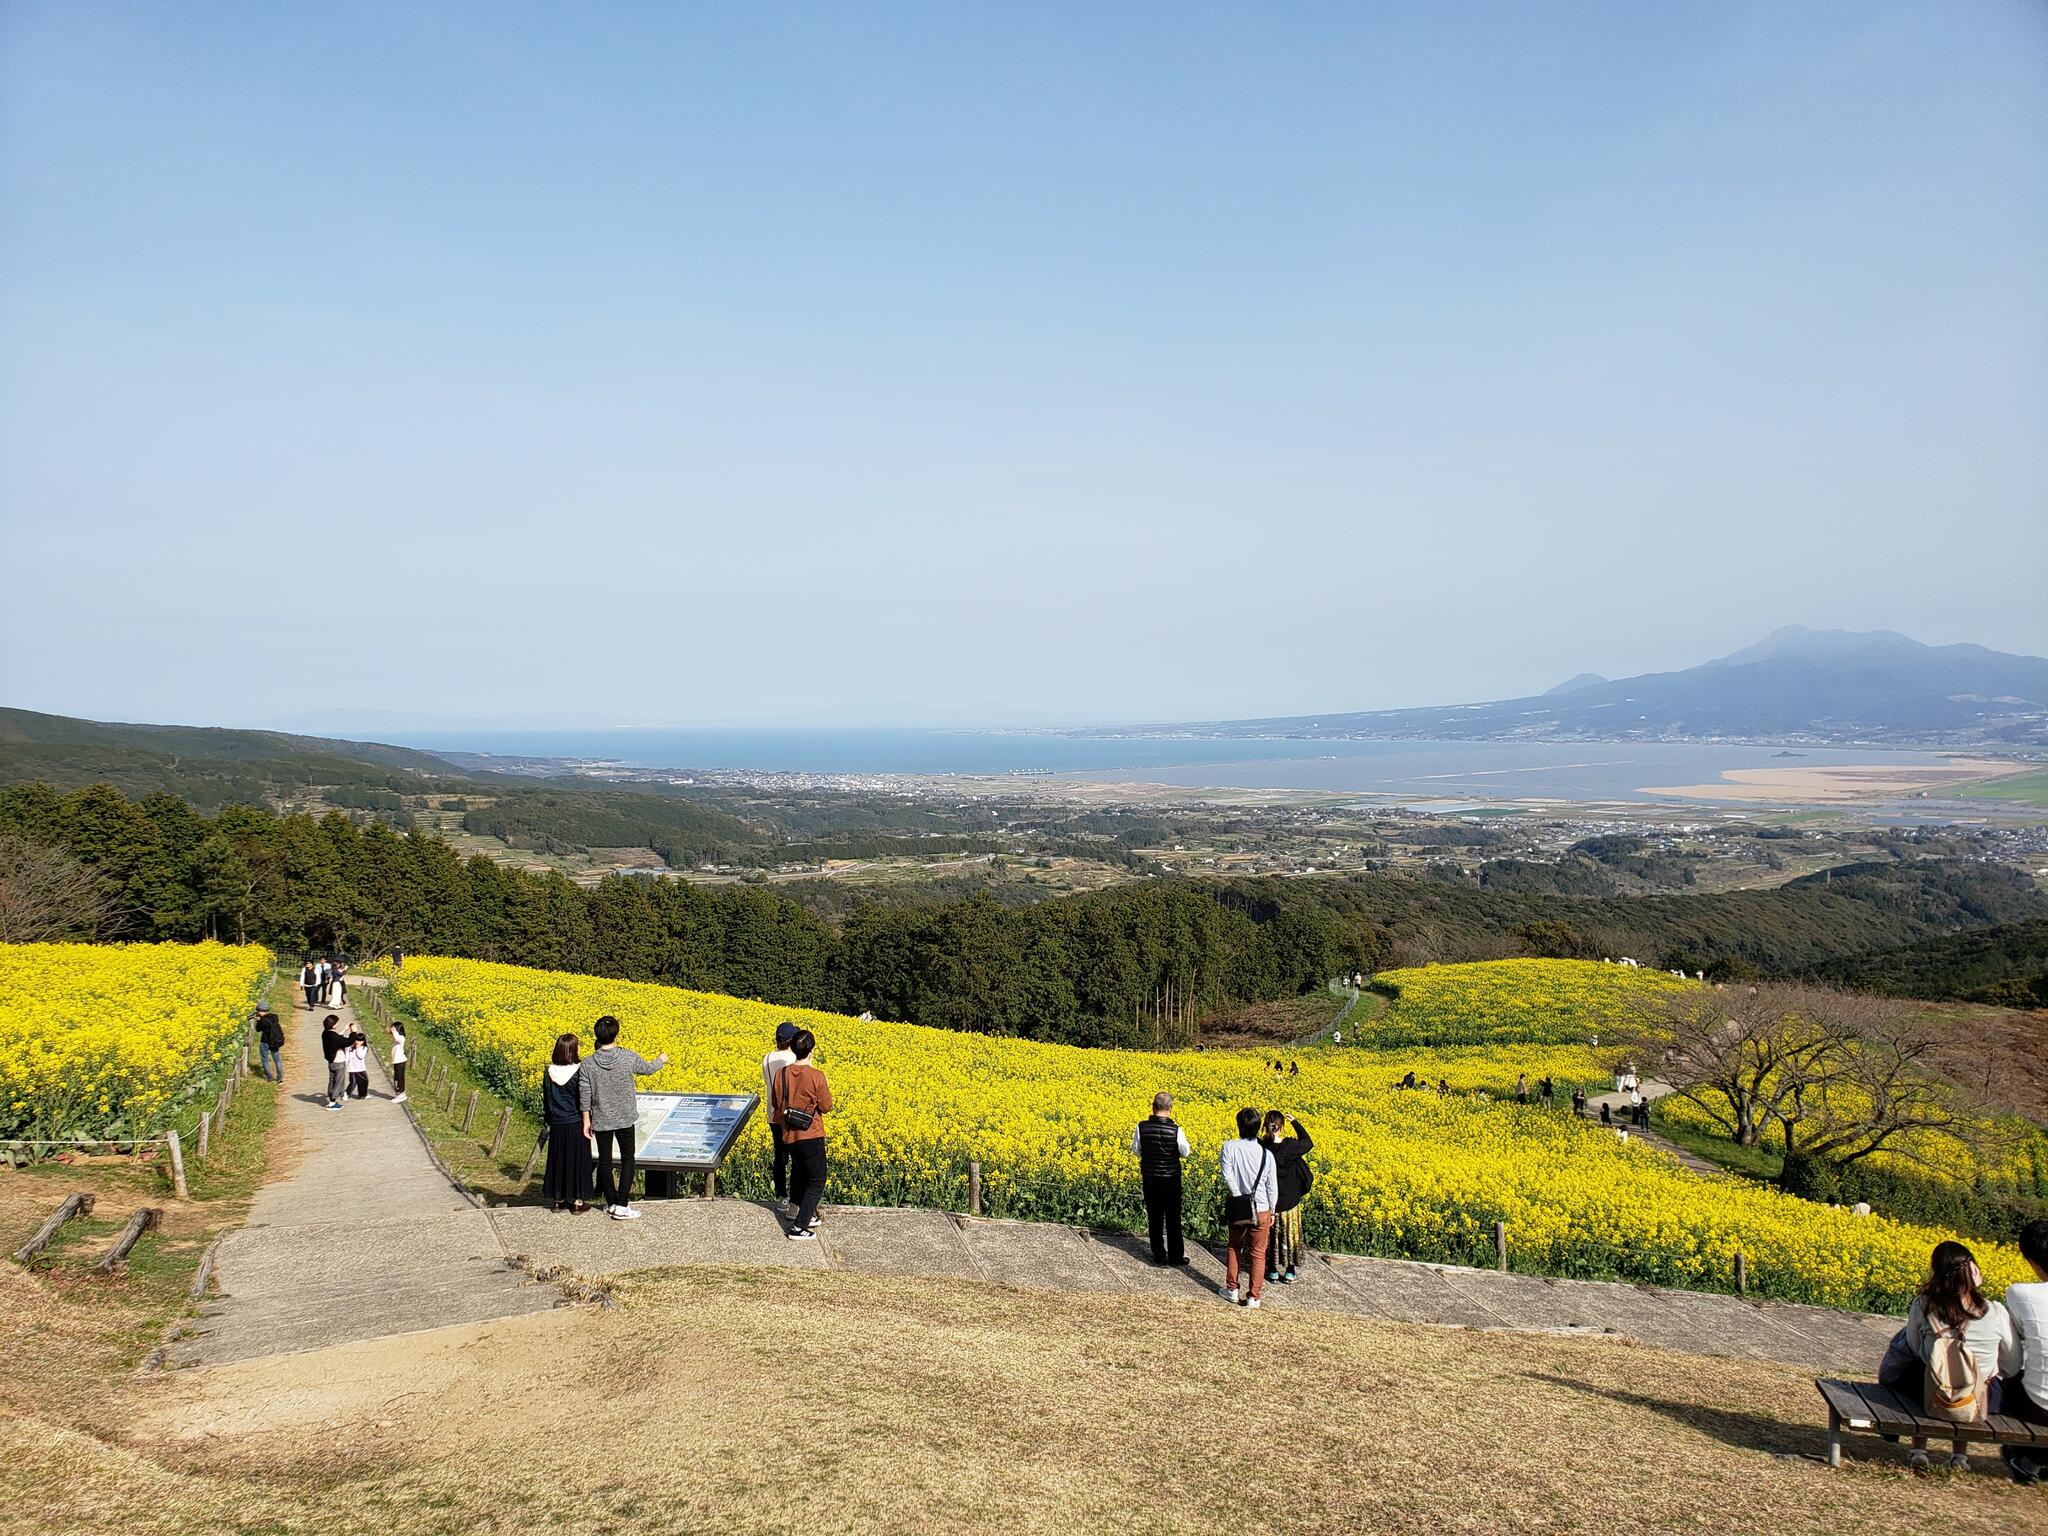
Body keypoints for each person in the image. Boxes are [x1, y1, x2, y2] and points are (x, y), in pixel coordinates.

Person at [1879, 1240, 2016, 1472]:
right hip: (1980, 1398)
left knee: (1925, 1370)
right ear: (1973, 1271)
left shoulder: (1923, 1305)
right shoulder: (1996, 1312)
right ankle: (1960, 1457)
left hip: (1930, 1392)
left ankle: (1919, 1450)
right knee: (1970, 1382)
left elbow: (1912, 1347)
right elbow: (2012, 1363)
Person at [578, 1014, 669, 1221]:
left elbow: (585, 1094)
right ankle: (622, 1204)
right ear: (616, 1034)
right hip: (625, 1117)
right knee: (628, 1159)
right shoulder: (627, 1057)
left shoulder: (588, 1064)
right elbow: (648, 1069)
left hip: (601, 1117)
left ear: (597, 1036)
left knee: (604, 1161)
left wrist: (586, 1120)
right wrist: (661, 1060)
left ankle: (611, 1203)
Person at [2000, 1219, 2048, 1484]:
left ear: (2031, 1260)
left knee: (2006, 1385)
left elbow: (2013, 1354)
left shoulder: (2020, 1293)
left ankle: (2026, 1457)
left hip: (2041, 1407)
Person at [1218, 1107, 1277, 1309]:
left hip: (1240, 1207)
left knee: (1235, 1246)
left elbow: (1227, 1175)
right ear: (1258, 1128)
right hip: (1262, 1208)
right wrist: (1273, 1211)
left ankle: (1232, 1289)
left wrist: (1239, 1198)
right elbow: (1272, 1187)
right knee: (1258, 1254)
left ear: (1239, 1126)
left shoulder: (1229, 1147)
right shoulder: (1266, 1155)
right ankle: (1254, 1297)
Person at [777, 1029, 833, 1240]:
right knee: (817, 1180)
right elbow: (826, 1106)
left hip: (789, 1133)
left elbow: (777, 1101)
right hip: (810, 1133)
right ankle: (799, 1226)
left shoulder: (781, 1073)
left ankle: (803, 1213)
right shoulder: (816, 1076)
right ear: (811, 1050)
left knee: (800, 1174)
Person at [1130, 1091, 1191, 1265]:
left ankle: (1159, 1254)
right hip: (1171, 1179)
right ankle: (1176, 1257)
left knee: (1154, 1217)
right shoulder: (1176, 1130)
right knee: (1173, 1218)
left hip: (1150, 1179)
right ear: (1170, 1109)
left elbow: (1136, 1149)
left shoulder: (1141, 1127)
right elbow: (1185, 1152)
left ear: (1153, 1107)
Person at [541, 1033, 595, 1214]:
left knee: (559, 1160)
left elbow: (546, 1099)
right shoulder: (579, 1070)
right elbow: (584, 1099)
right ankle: (578, 1202)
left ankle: (558, 1200)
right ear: (573, 1050)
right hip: (576, 1122)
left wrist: (549, 1120)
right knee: (578, 1162)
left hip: (557, 1123)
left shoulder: (549, 1071)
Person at [1260, 1110, 1314, 1286]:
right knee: (1291, 1236)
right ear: (1281, 1127)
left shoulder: (1262, 1147)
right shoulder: (1290, 1146)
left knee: (1271, 1235)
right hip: (1289, 1201)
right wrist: (1296, 1122)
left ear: (1265, 1126)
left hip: (1270, 1201)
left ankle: (1273, 1270)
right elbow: (1308, 1143)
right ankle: (1290, 1271)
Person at [761, 1022, 798, 1206]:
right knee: (797, 1158)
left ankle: (782, 1195)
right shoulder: (794, 1058)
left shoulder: (767, 1058)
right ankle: (795, 1199)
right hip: (791, 1115)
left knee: (780, 1156)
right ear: (791, 1041)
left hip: (772, 1113)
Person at [319, 1014, 348, 1111]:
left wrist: (344, 1030)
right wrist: (353, 1032)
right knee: (338, 1081)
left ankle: (331, 1095)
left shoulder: (325, 1033)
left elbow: (338, 1039)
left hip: (331, 1062)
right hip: (339, 1061)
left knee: (332, 1080)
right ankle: (332, 1102)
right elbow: (346, 1042)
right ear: (334, 1024)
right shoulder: (333, 1036)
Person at [255, 1006, 285, 1084]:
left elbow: (258, 1029)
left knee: (265, 1060)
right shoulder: (275, 1017)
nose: (257, 1013)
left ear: (261, 1011)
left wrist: (258, 1021)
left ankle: (270, 1078)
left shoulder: (263, 1021)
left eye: (258, 1012)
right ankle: (280, 1079)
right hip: (275, 1042)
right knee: (277, 1059)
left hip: (265, 1042)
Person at [388, 1019, 409, 1102]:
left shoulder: (401, 1038)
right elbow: (394, 1037)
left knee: (400, 1078)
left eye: (394, 1028)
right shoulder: (396, 1037)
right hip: (396, 1061)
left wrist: (393, 1031)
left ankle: (402, 1094)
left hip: (400, 1061)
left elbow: (397, 1038)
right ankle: (398, 1093)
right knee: (396, 1078)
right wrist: (390, 1031)